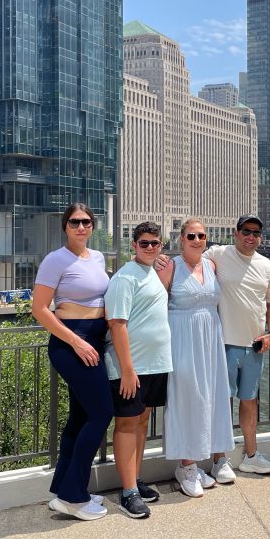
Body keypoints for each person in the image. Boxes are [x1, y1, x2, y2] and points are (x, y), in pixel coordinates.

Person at [32, 203, 112, 521]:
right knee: (102, 412)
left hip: (94, 340)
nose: (81, 227)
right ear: (65, 226)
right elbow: (39, 309)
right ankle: (73, 497)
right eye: (75, 222)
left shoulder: (98, 257)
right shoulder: (55, 260)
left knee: (80, 417)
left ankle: (65, 489)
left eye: (87, 222)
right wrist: (76, 341)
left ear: (93, 226)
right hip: (71, 342)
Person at [199, 214, 270, 476]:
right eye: (246, 231)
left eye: (256, 233)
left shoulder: (265, 264)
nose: (251, 237)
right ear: (236, 233)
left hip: (255, 345)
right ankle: (219, 460)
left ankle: (251, 454)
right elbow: (192, 258)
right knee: (222, 403)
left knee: (249, 401)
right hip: (225, 343)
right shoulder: (219, 253)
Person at [157, 219, 235, 496]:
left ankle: (211, 459)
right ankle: (186, 465)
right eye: (192, 235)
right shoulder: (170, 267)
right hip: (182, 340)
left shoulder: (211, 265)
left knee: (213, 395)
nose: (197, 239)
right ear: (181, 238)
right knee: (186, 397)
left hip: (211, 340)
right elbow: (155, 301)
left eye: (202, 235)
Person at [104, 221, 174, 518]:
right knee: (127, 424)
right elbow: (117, 324)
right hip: (131, 367)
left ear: (161, 246)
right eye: (143, 243)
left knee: (143, 421)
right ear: (134, 245)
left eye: (154, 243)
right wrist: (127, 370)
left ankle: (135, 478)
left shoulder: (153, 274)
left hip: (156, 363)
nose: (149, 248)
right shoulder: (124, 278)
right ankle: (128, 491)